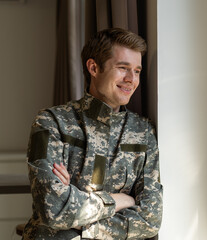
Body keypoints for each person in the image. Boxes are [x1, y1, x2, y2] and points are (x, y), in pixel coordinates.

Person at [22, 28, 163, 240]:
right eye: (123, 68)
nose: (131, 79)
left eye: (137, 71)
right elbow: (53, 208)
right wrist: (120, 200)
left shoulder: (143, 132)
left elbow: (151, 219)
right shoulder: (51, 123)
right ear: (94, 67)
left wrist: (85, 227)